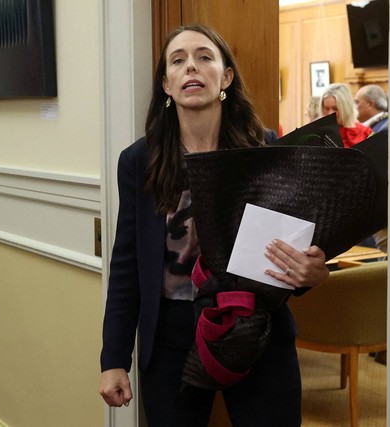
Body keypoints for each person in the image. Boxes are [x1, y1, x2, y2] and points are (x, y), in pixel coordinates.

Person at [98, 24, 330, 427]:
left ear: (225, 77)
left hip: (257, 327)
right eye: (178, 60)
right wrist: (113, 359)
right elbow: (126, 267)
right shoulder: (139, 161)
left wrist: (311, 273)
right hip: (170, 336)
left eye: (204, 57)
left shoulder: (265, 149)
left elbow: (292, 246)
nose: (191, 67)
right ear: (166, 85)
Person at [319, 83, 372, 147]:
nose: (330, 113)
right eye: (326, 108)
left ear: (346, 108)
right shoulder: (317, 134)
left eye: (335, 108)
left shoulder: (365, 133)